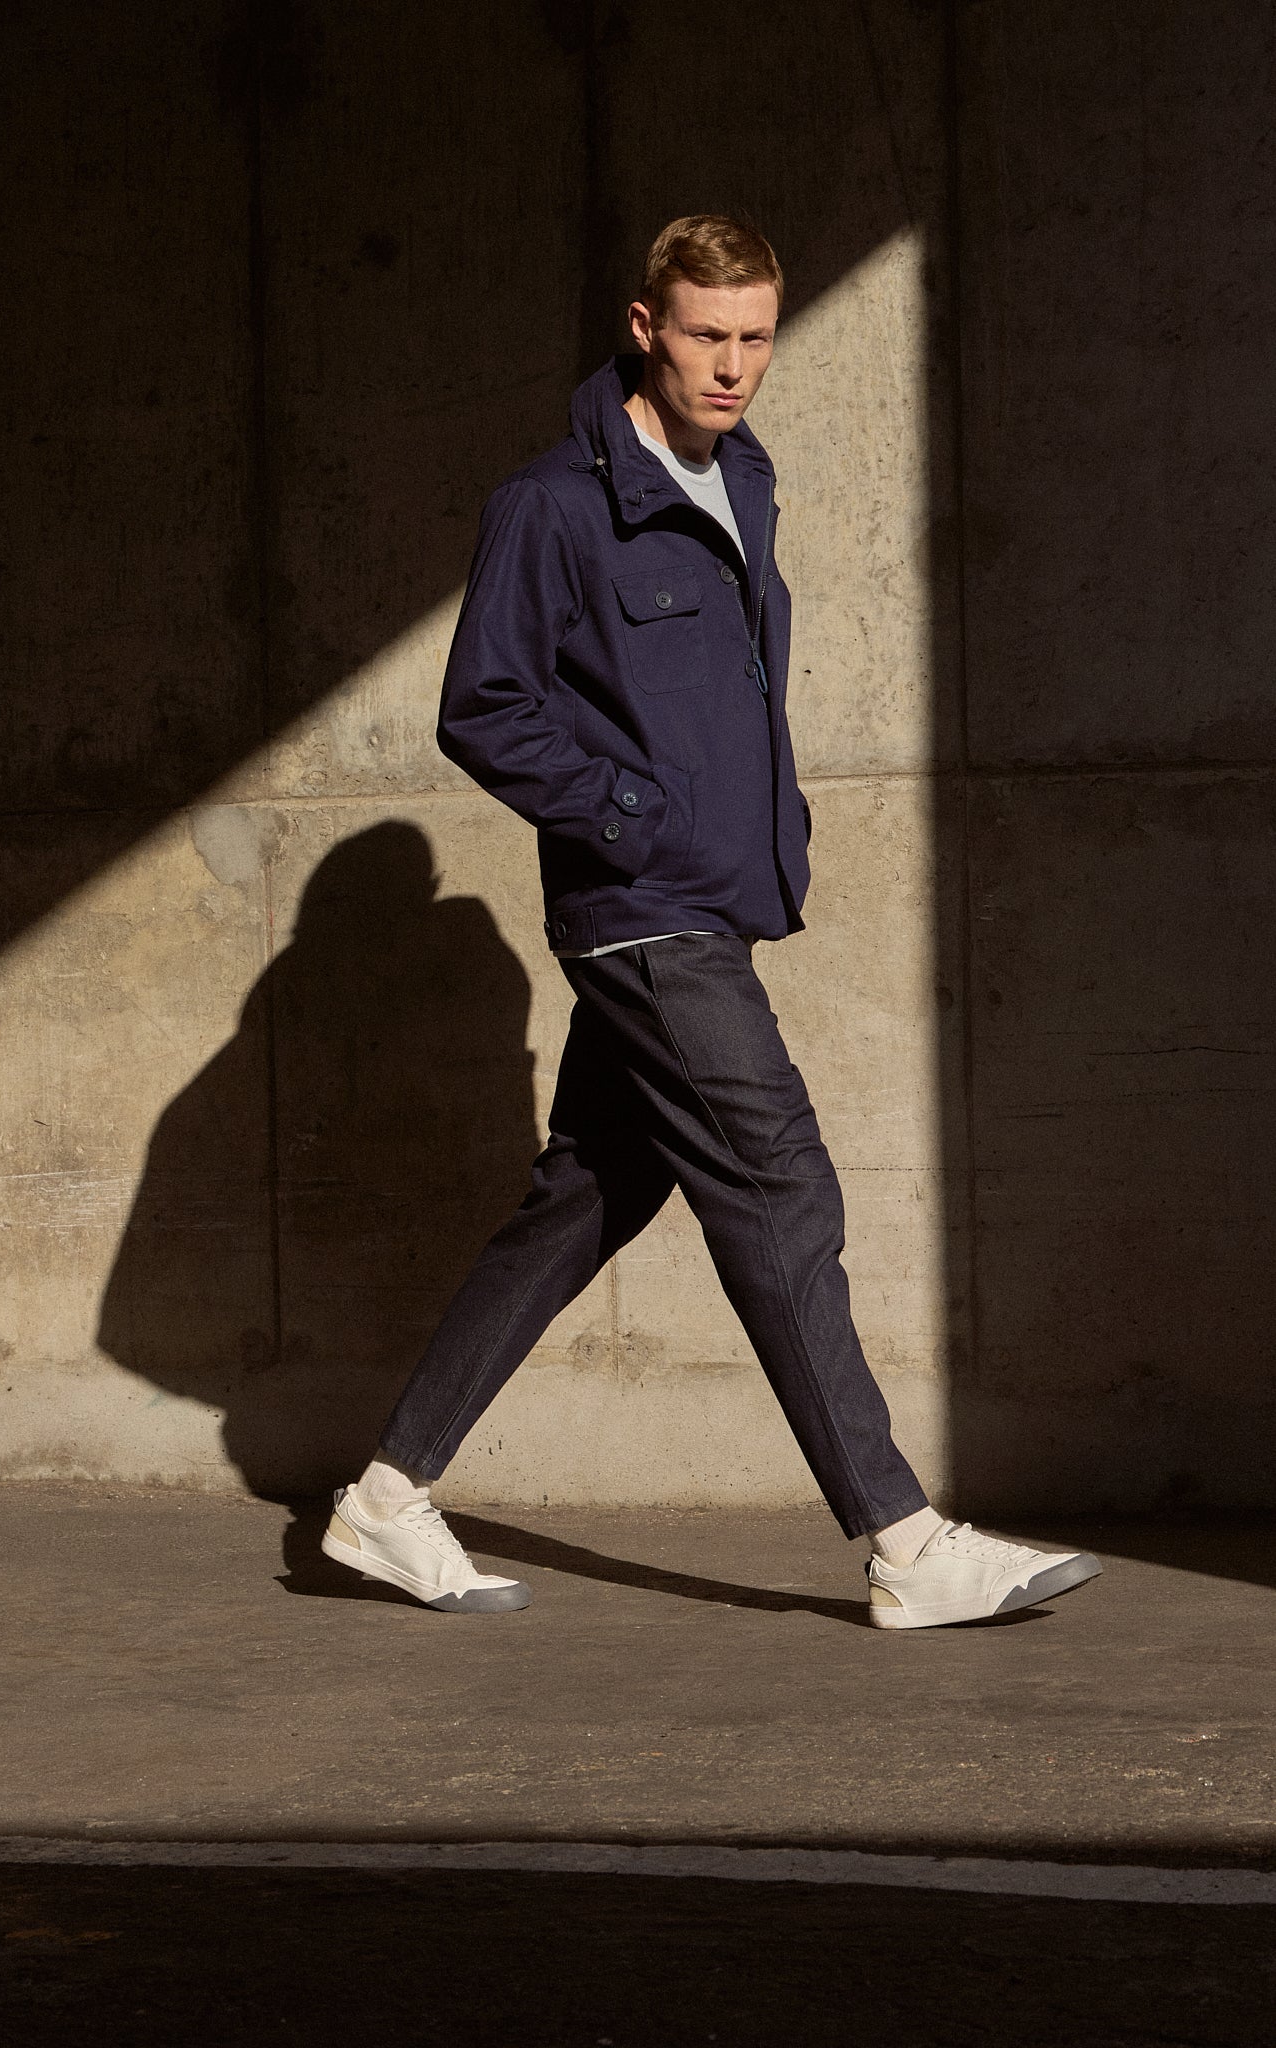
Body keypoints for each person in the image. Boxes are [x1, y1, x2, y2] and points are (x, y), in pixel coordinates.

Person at [321, 215, 1102, 1629]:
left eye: (754, 337)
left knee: (584, 1198)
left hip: (712, 903)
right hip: (639, 909)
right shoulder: (553, 504)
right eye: (705, 335)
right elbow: (483, 707)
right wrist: (634, 818)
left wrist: (755, 832)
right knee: (782, 1184)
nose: (733, 365)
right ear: (645, 328)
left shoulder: (744, 477)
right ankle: (905, 1542)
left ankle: (384, 1498)